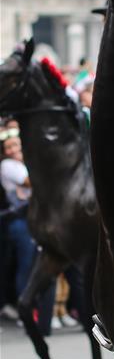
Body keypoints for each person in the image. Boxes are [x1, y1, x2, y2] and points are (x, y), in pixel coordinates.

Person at [0, 133, 55, 335]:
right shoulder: (7, 166)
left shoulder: (26, 162)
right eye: (9, 146)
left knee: (37, 266)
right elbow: (32, 182)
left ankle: (40, 315)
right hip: (20, 222)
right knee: (26, 268)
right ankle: (27, 313)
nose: (13, 149)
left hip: (36, 219)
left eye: (16, 144)